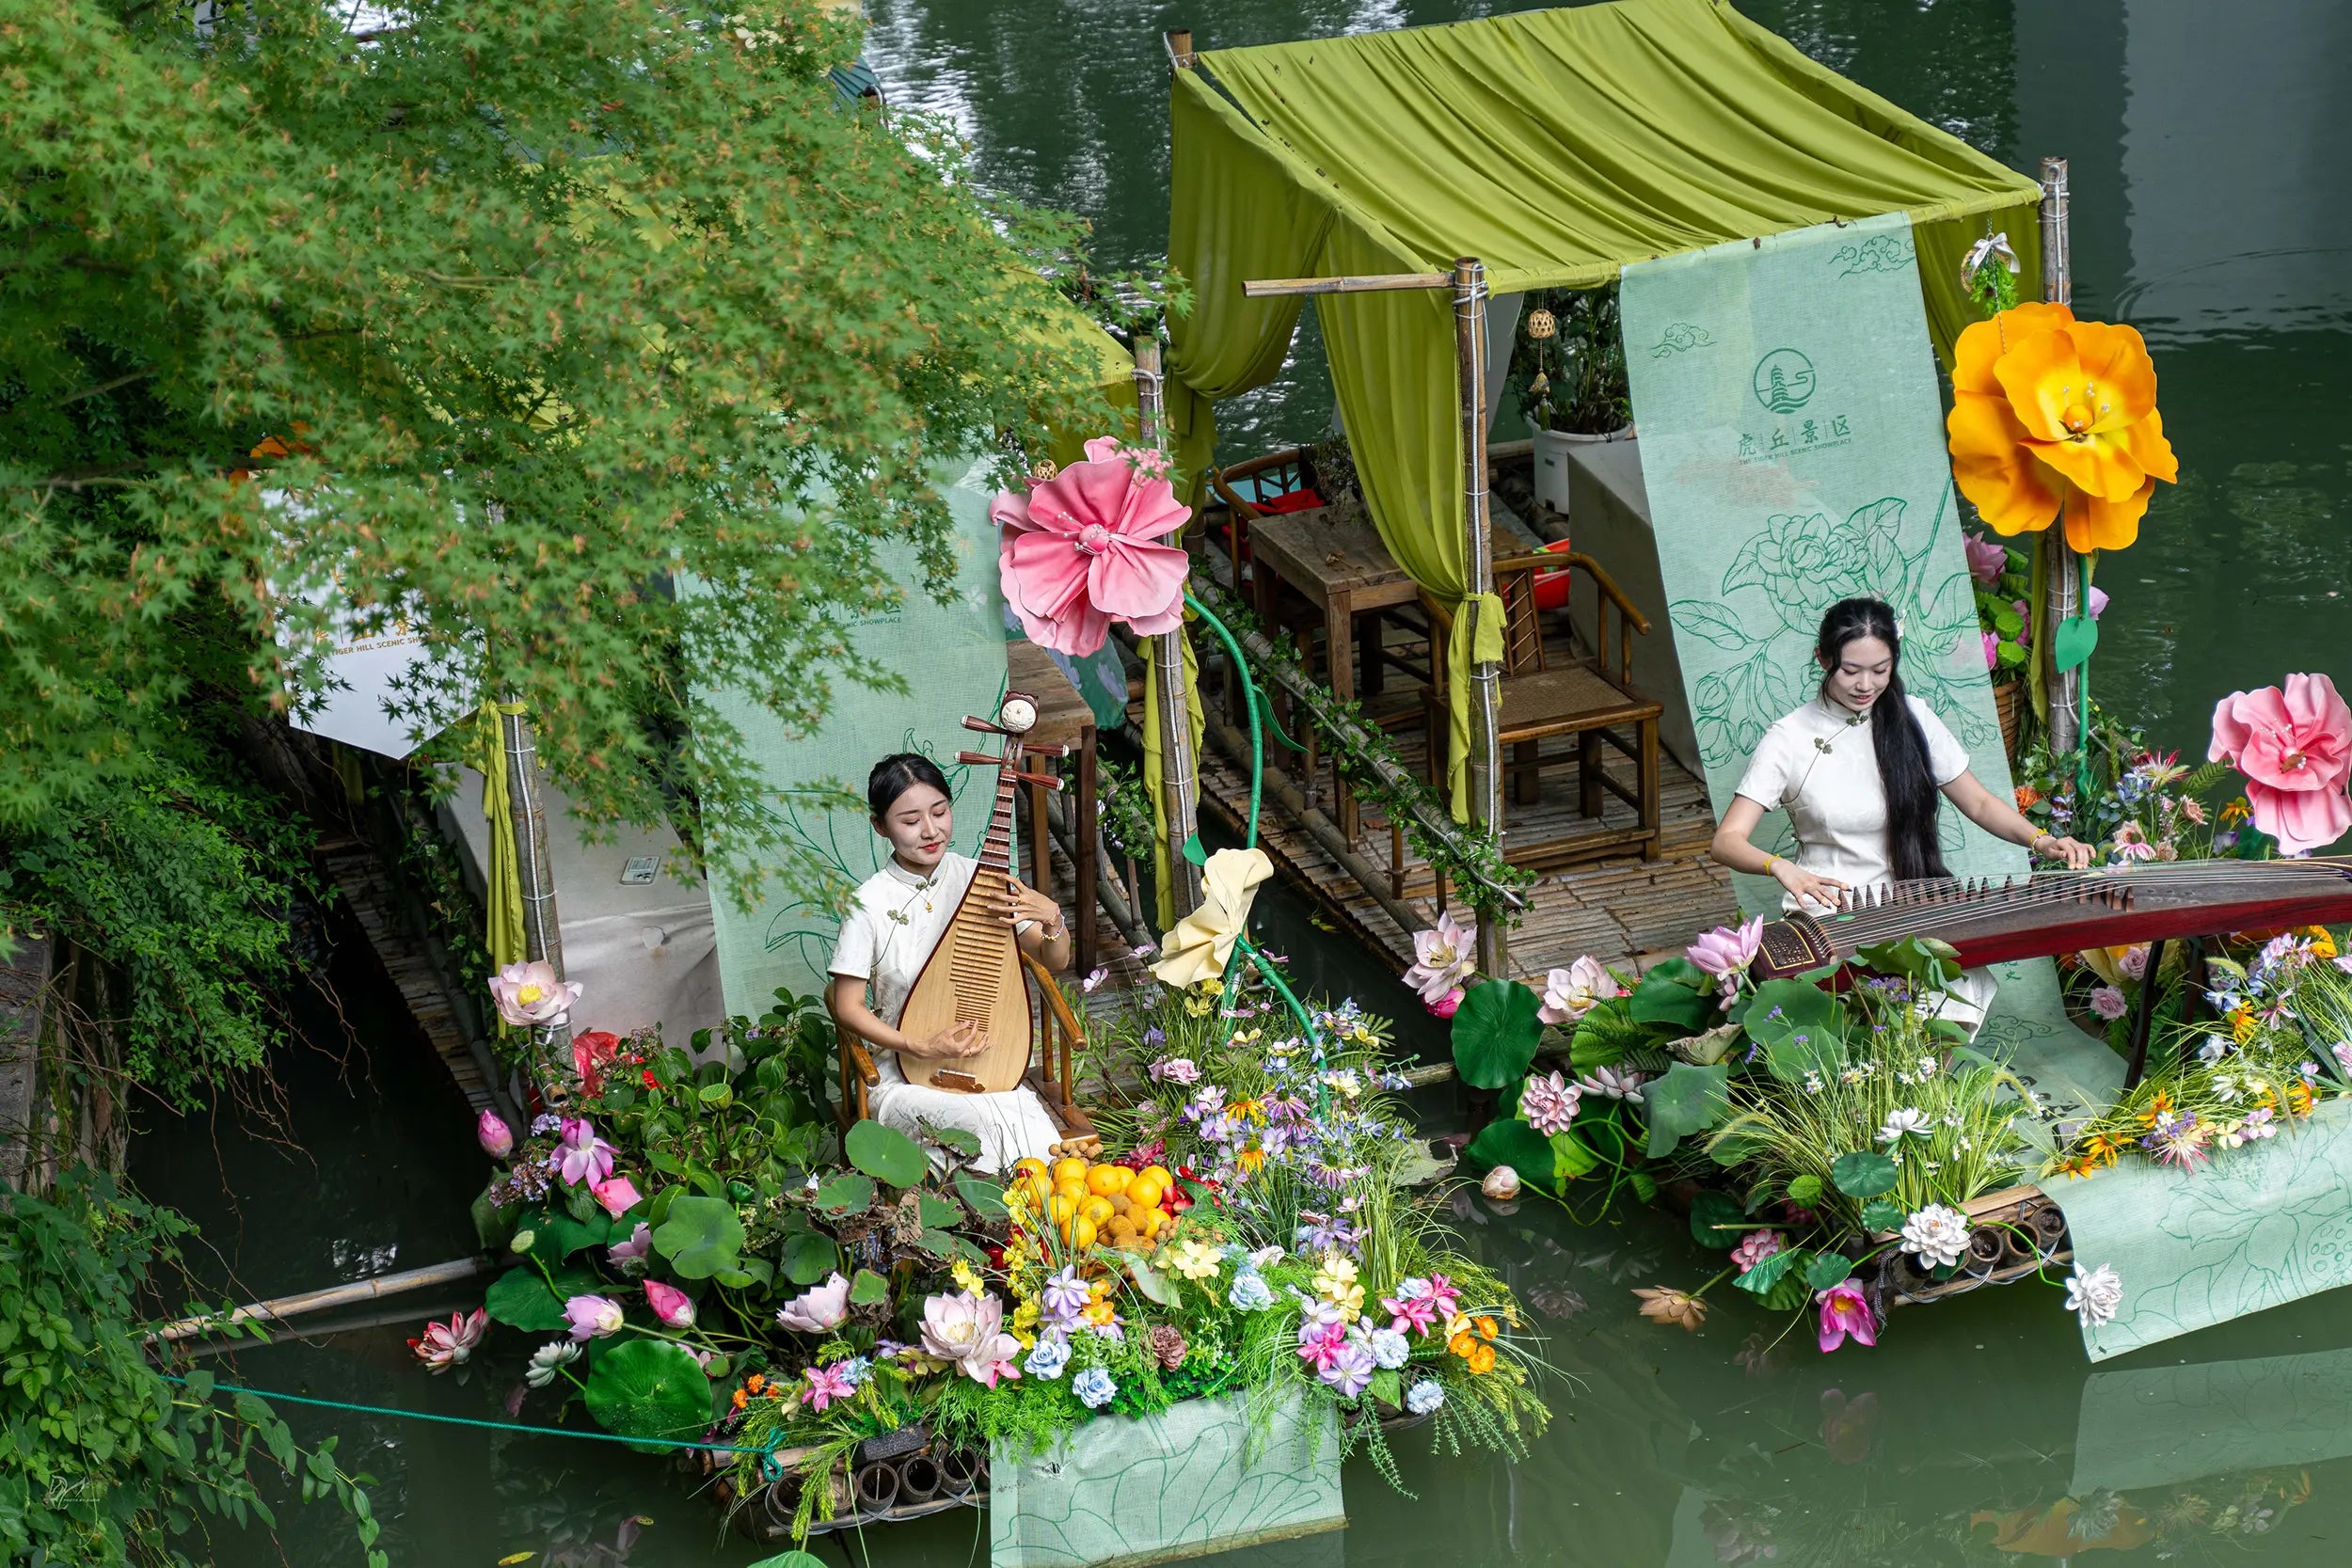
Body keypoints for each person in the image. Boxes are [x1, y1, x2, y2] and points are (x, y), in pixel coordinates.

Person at [1708, 596, 2092, 1029]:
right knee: (1864, 1016)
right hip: (1831, 908)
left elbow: (1979, 801)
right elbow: (1726, 841)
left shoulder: (1914, 718)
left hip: (1911, 898)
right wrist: (1780, 867)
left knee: (1951, 993)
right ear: (1823, 658)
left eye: (1880, 670)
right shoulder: (1790, 738)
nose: (1865, 685)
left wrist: (2041, 840)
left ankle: (1921, 1090)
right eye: (1850, 670)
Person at [827, 752, 1073, 1173]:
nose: (930, 830)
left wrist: (1051, 916)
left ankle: (1037, 1233)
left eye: (939, 812)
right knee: (977, 1130)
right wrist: (917, 1045)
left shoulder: (981, 878)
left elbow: (1055, 958)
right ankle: (1005, 1229)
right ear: (879, 826)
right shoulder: (868, 904)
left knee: (1033, 1135)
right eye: (910, 821)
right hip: (902, 1077)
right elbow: (846, 1005)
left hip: (991, 1069)